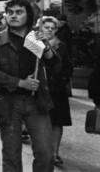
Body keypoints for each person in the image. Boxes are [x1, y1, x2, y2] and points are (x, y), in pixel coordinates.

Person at [0, 0, 61, 172]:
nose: (13, 16)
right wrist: (20, 83)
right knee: (11, 154)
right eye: (10, 12)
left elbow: (55, 66)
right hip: (8, 102)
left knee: (45, 153)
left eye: (19, 12)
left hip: (36, 102)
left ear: (28, 16)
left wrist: (46, 47)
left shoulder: (33, 39)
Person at [39, 16, 73, 166]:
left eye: (53, 28)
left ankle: (55, 152)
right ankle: (44, 151)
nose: (50, 30)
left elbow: (68, 65)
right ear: (40, 28)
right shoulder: (35, 44)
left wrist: (64, 77)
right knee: (42, 121)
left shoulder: (62, 46)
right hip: (41, 88)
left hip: (57, 89)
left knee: (57, 122)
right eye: (47, 27)